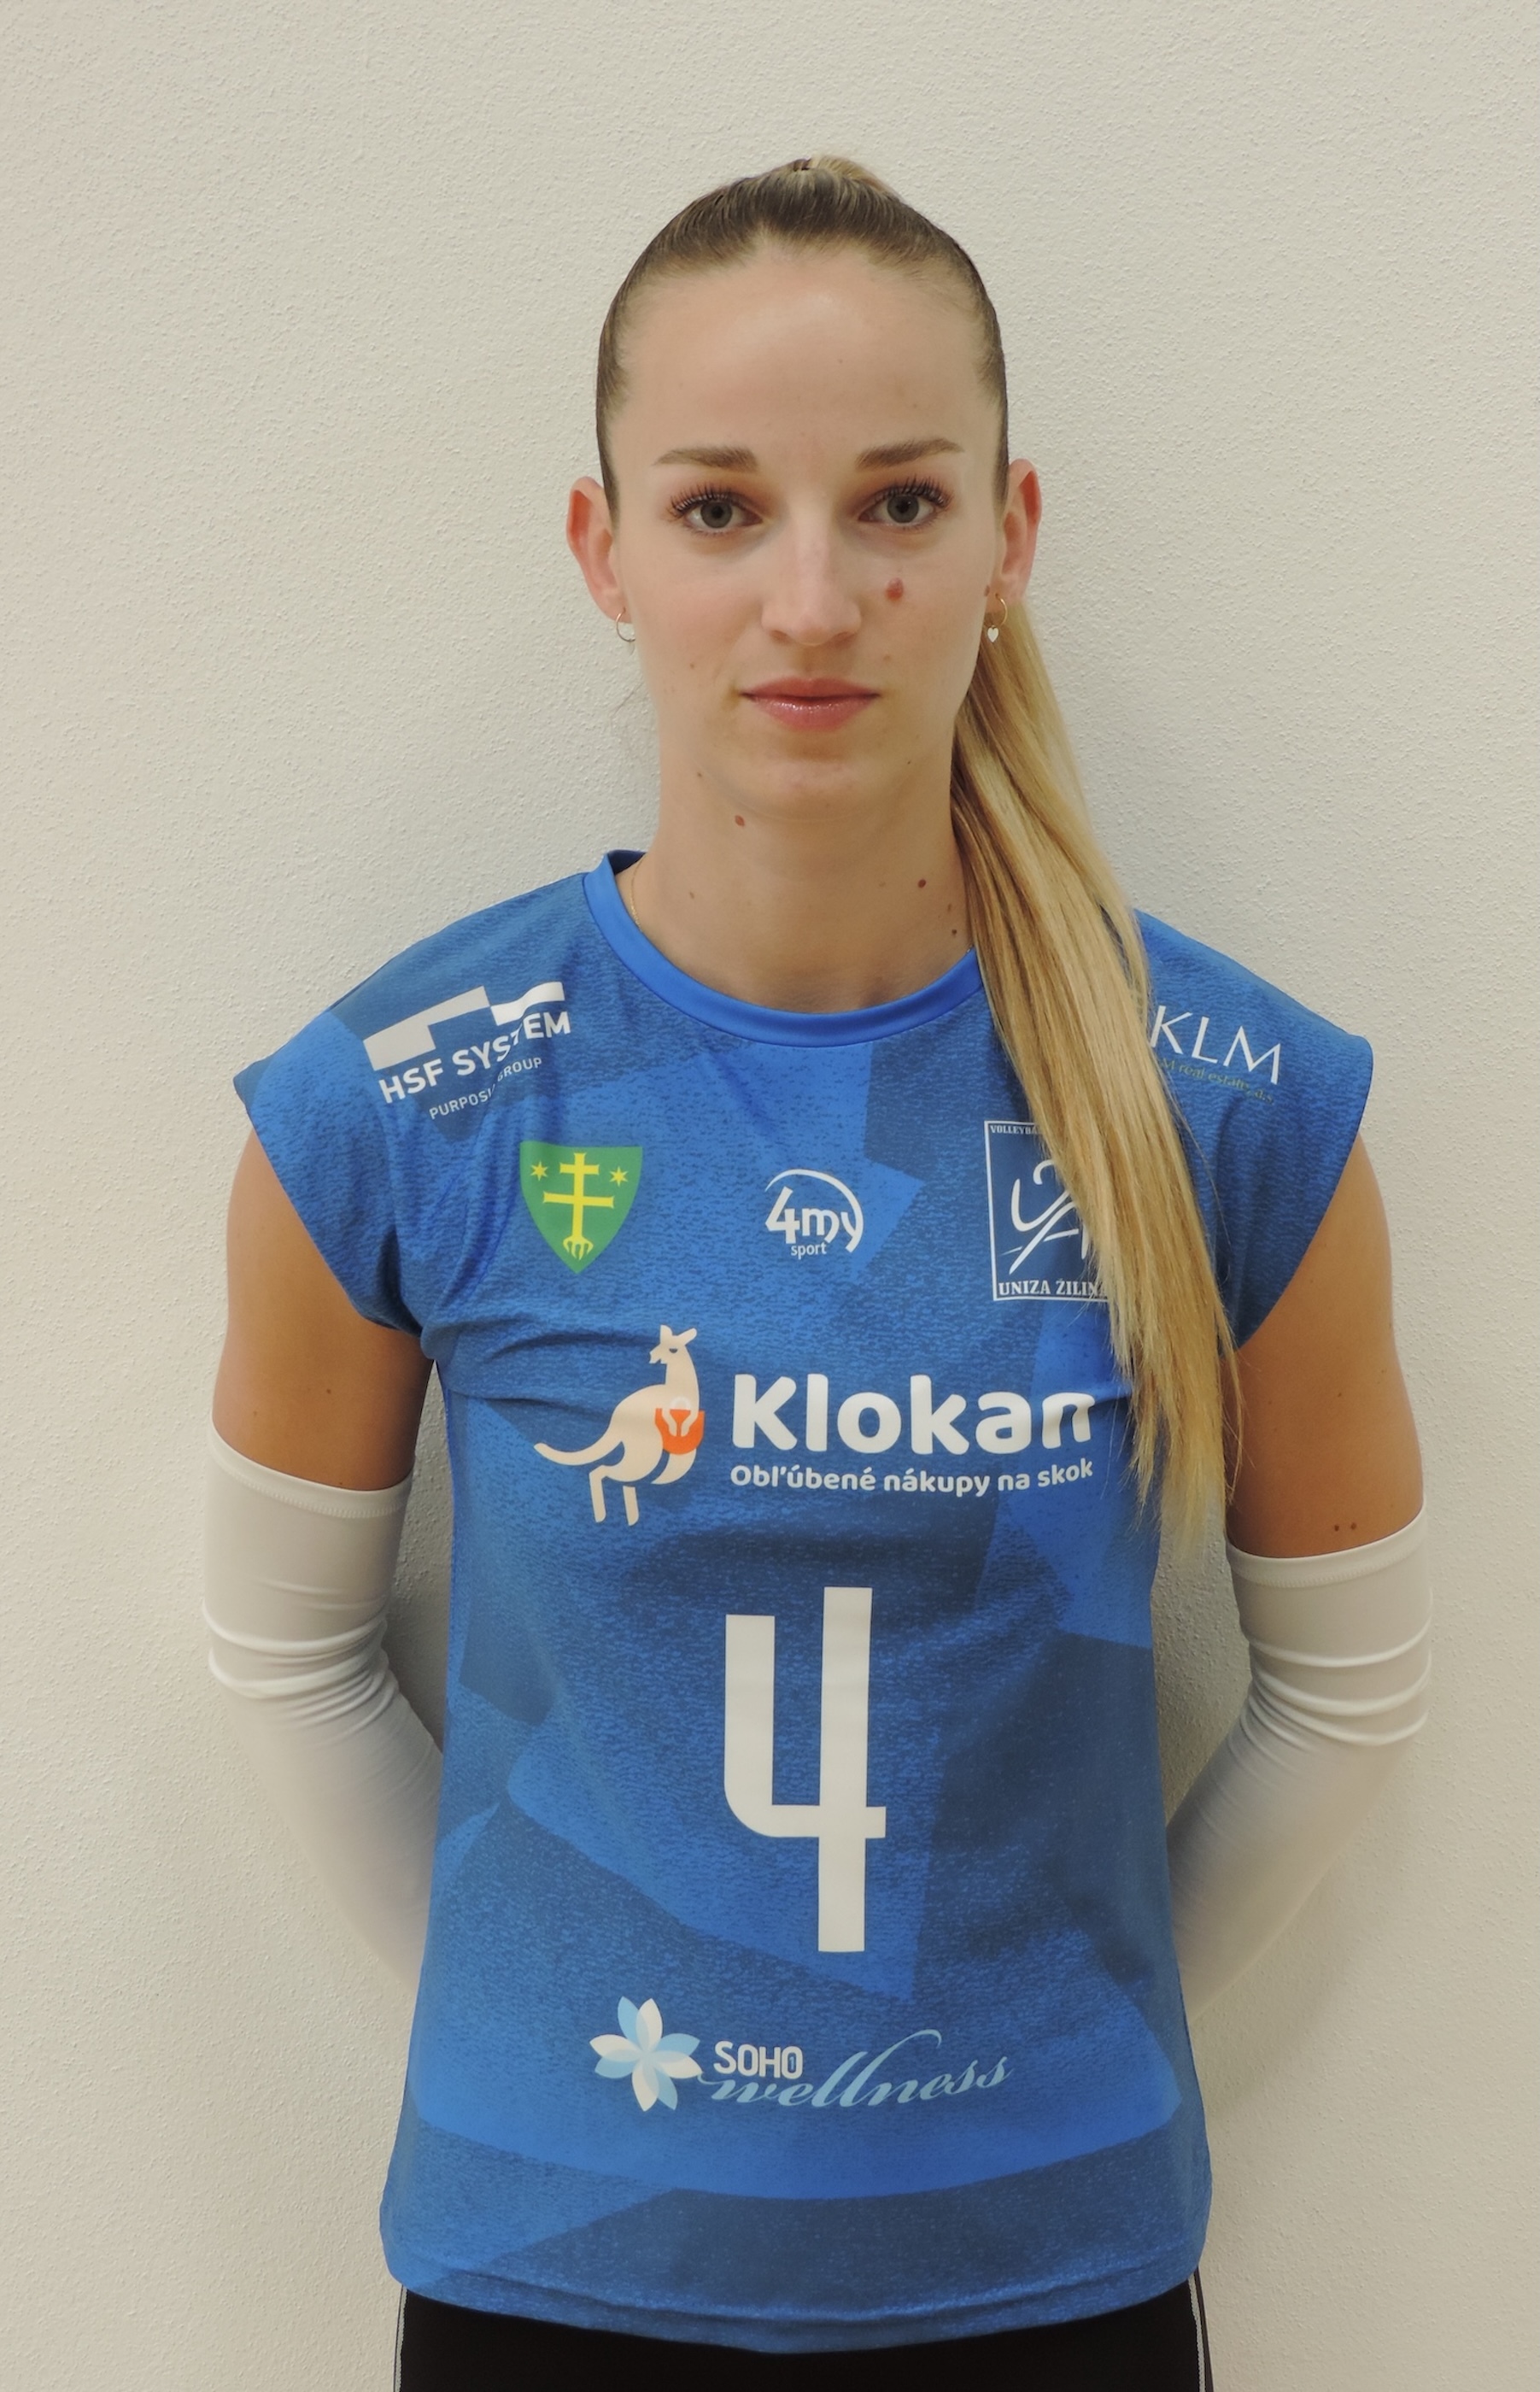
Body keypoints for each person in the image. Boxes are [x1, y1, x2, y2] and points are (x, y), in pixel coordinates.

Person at [204, 159, 1428, 2389]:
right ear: (602, 551)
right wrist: (568, 2060)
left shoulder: (1230, 1106)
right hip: (552, 2284)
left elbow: (1348, 1701)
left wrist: (1046, 2054)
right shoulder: (401, 1104)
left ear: (1008, 536)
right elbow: (285, 1665)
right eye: (716, 509)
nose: (812, 597)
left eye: (896, 504)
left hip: (1053, 2292)